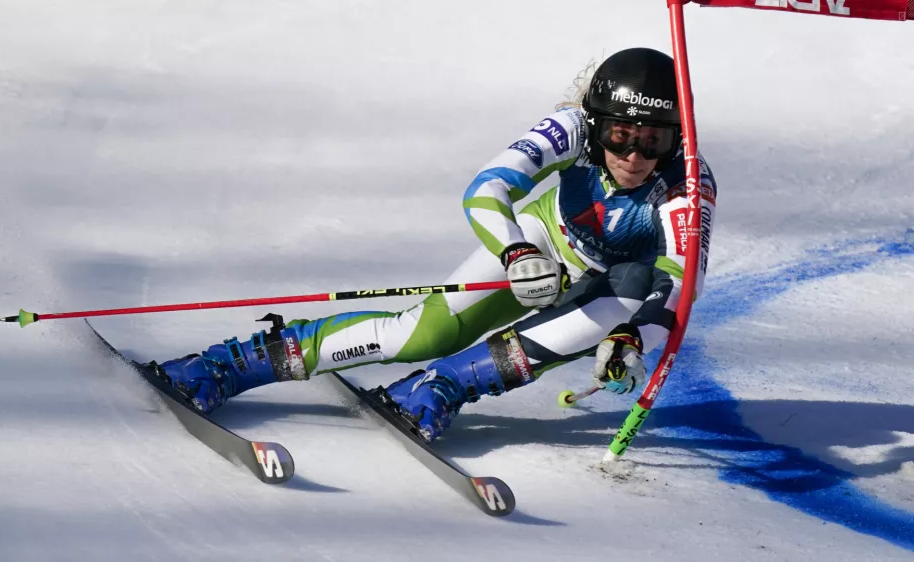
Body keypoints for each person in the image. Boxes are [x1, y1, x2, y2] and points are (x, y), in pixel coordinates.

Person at [152, 47, 717, 443]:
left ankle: (440, 387)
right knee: (422, 334)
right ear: (596, 124)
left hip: (609, 289)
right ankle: (231, 364)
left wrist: (633, 337)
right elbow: (487, 188)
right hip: (543, 242)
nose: (635, 156)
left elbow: (680, 279)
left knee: (629, 289)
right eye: (620, 135)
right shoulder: (571, 128)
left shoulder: (688, 182)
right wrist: (516, 252)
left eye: (654, 141)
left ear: (677, 138)